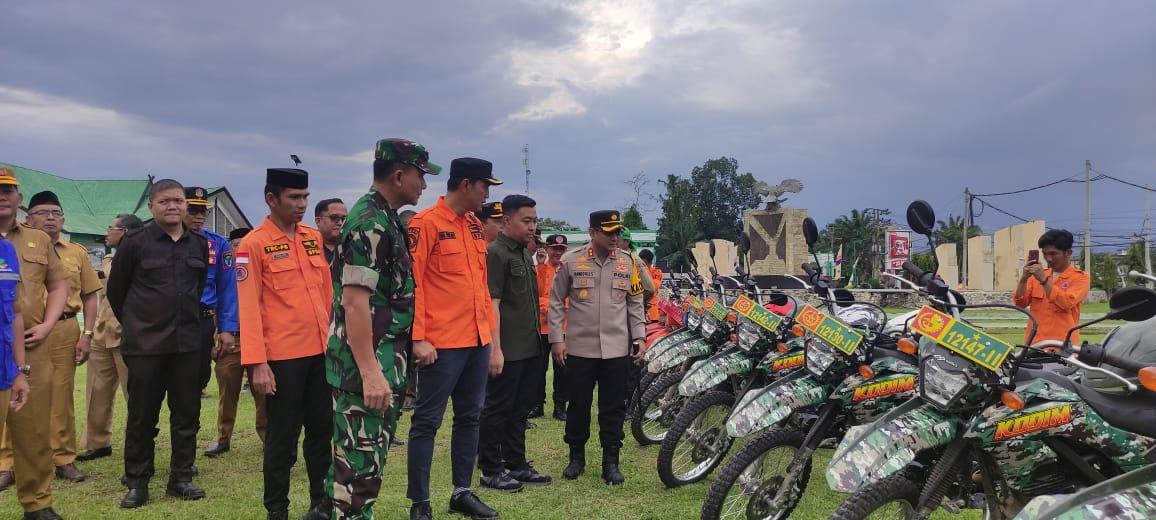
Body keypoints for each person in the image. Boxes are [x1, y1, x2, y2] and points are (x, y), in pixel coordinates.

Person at [325, 138, 437, 519]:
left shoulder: (386, 217)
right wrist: (372, 374)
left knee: (360, 468)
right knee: (358, 473)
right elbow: (354, 303)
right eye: (421, 175)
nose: (424, 184)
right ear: (399, 174)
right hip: (366, 367)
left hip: (386, 360)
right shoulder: (369, 223)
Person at [406, 158, 501, 520]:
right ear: (465, 185)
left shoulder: (475, 228)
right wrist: (419, 338)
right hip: (441, 343)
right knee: (427, 422)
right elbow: (413, 285)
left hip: (475, 341)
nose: (487, 194)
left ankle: (461, 491)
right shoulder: (425, 224)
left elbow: (479, 286)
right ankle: (420, 502)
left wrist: (490, 340)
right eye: (484, 187)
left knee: (470, 417)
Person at [237, 168, 334, 520]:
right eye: (294, 198)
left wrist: (335, 346)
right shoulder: (252, 245)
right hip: (281, 359)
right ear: (271, 199)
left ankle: (320, 505)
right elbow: (248, 308)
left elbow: (327, 295)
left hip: (320, 355)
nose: (302, 204)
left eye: (305, 197)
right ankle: (276, 510)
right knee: (282, 440)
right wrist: (257, 363)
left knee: (322, 435)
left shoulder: (312, 237)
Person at [107, 179, 209, 509]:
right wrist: (138, 324)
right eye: (164, 201)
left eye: (178, 201)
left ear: (186, 206)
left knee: (186, 414)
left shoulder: (197, 244)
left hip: (187, 344)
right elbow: (116, 292)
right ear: (152, 206)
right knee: (141, 416)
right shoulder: (135, 242)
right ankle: (138, 482)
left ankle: (181, 477)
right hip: (146, 345)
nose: (172, 206)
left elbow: (198, 286)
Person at [549, 210, 646, 486]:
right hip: (580, 348)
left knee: (613, 407)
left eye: (618, 232)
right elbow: (556, 301)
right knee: (578, 405)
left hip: (616, 349)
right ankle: (576, 457)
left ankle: (610, 461)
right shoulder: (571, 261)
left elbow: (635, 303)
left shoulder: (628, 263)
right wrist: (557, 339)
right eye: (609, 232)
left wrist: (639, 337)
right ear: (592, 233)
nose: (616, 237)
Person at [0, 167, 69, 520]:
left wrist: (47, 324)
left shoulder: (38, 239)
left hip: (31, 346)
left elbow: (59, 285)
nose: (2, 195)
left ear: (19, 199)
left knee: (33, 429)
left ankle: (38, 503)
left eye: (8, 189)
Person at [22, 191, 102, 483]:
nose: (51, 218)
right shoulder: (12, 247)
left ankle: (64, 458)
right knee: (11, 394)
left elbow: (91, 296)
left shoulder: (76, 252)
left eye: (56, 213)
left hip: (64, 330)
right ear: (28, 218)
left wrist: (88, 335)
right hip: (23, 330)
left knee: (61, 396)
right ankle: (8, 463)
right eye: (43, 212)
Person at [476, 194, 551, 493]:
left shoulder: (523, 253)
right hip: (507, 348)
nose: (532, 227)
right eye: (526, 221)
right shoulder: (496, 253)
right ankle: (491, 469)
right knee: (498, 408)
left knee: (520, 409)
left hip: (530, 346)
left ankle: (516, 464)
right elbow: (491, 303)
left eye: (534, 221)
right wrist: (495, 348)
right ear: (506, 221)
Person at [77, 214, 142, 463]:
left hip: (127, 334)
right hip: (102, 332)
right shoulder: (108, 259)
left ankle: (139, 443)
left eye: (111, 228)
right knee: (97, 390)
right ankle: (97, 442)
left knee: (134, 393)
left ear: (124, 231)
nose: (107, 232)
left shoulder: (139, 258)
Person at [202, 222, 264, 458]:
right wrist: (213, 339)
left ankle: (267, 437)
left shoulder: (260, 271)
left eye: (245, 245)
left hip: (258, 339)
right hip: (231, 340)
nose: (240, 250)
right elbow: (211, 306)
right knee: (227, 392)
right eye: (236, 246)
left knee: (264, 393)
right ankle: (223, 438)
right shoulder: (222, 275)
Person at [181, 187, 240, 399]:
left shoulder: (218, 243)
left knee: (197, 377)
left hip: (202, 319)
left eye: (202, 212)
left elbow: (227, 290)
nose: (199, 217)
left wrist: (227, 329)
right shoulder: (162, 240)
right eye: (193, 211)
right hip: (169, 319)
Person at [1013, 229, 1091, 344]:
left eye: (1053, 254)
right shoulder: (1036, 276)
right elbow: (1020, 303)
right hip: (1035, 344)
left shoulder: (1081, 278)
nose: (1049, 259)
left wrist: (1044, 281)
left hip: (1063, 345)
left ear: (1068, 253)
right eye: (1045, 254)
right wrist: (1024, 279)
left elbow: (1066, 303)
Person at [535, 234, 568, 422]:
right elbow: (534, 293)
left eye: (561, 249)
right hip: (542, 328)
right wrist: (548, 308)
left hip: (563, 328)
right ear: (547, 249)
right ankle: (537, 404)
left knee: (563, 370)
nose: (557, 252)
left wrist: (554, 309)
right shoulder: (540, 269)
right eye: (554, 248)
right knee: (538, 370)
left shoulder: (567, 270)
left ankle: (560, 406)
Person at [314, 198, 347, 264]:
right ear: (318, 221)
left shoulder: (352, 246)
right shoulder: (306, 247)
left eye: (344, 219)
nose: (340, 223)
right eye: (334, 217)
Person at [639, 249, 663, 322]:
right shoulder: (637, 271)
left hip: (651, 312)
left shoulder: (656, 272)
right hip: (638, 309)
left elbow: (653, 287)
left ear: (644, 261)